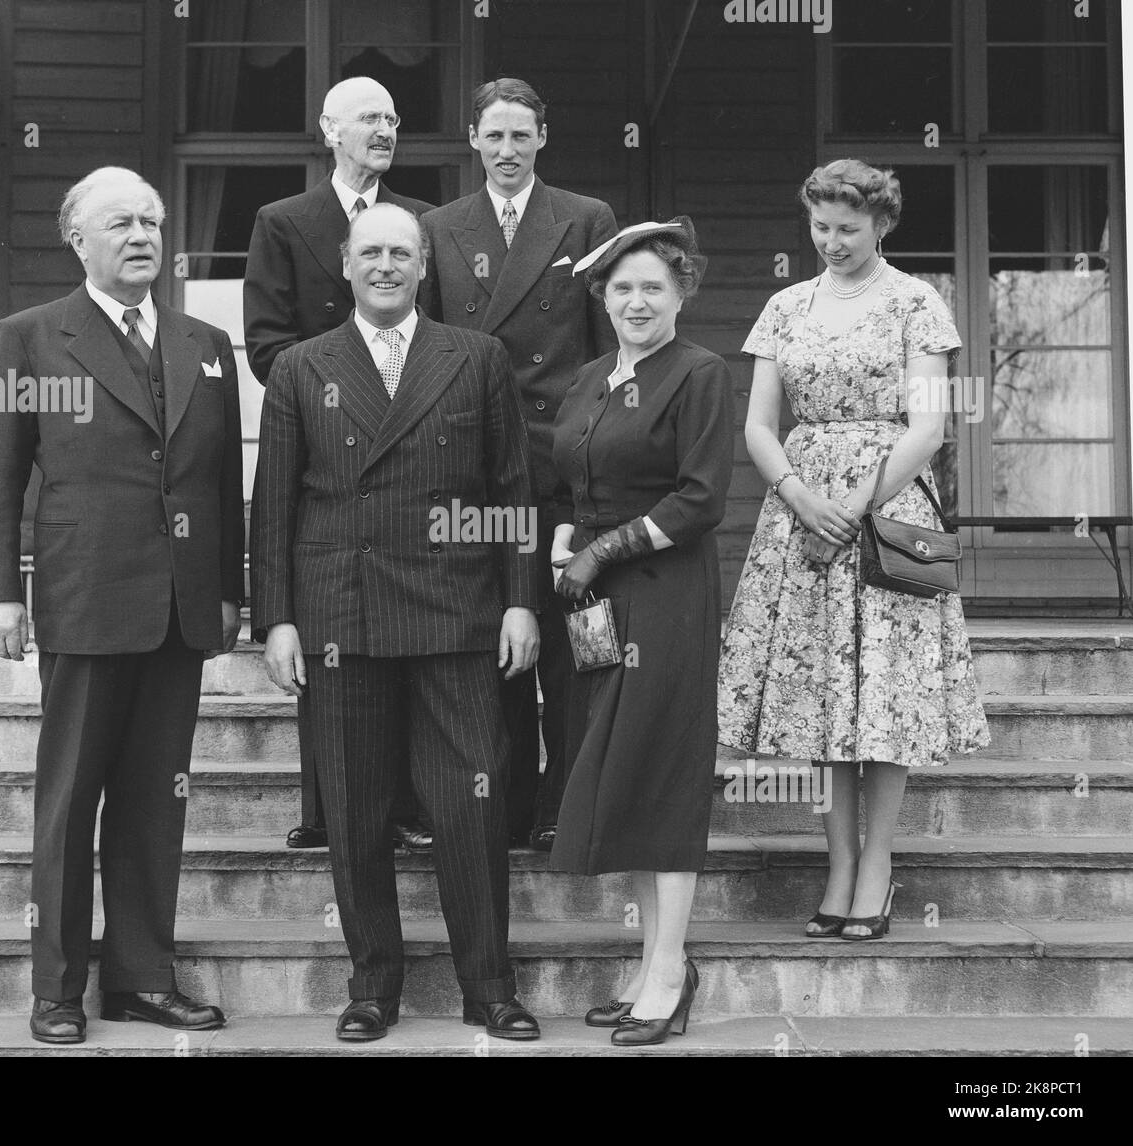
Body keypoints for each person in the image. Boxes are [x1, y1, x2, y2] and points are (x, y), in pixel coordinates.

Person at [250, 202, 543, 1043]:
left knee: (471, 805)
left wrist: (521, 597)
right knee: (352, 806)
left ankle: (489, 986)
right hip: (342, 612)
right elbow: (273, 504)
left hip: (458, 616)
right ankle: (373, 985)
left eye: (401, 253)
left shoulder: (475, 358)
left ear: (423, 267)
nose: (385, 266)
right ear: (346, 265)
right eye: (370, 252)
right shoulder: (303, 368)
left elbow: (511, 489)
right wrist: (276, 620)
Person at [0, 166, 243, 1044]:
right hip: (86, 600)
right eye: (121, 223)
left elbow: (221, 484)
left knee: (155, 799)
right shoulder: (30, 338)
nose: (141, 236)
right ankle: (57, 989)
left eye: (154, 222)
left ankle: (140, 977)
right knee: (70, 798)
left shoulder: (205, 343)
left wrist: (232, 589)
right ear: (76, 238)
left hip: (181, 608)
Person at [718, 159, 990, 943]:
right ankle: (837, 864)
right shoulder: (784, 306)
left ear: (881, 224)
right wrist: (802, 497)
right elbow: (759, 426)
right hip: (800, 519)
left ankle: (877, 869)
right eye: (820, 227)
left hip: (886, 512)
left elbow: (930, 426)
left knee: (884, 697)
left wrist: (858, 500)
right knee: (822, 702)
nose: (832, 242)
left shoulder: (917, 303)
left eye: (848, 228)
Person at [549, 217, 733, 1046]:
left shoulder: (700, 373)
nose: (635, 300)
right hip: (596, 602)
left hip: (663, 593)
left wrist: (601, 553)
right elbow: (579, 481)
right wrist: (567, 540)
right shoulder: (591, 376)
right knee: (622, 768)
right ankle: (651, 957)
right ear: (602, 295)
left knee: (663, 770)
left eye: (652, 286)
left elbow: (699, 502)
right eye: (621, 287)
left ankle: (669, 969)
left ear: (681, 291)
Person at [421, 77, 618, 851]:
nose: (507, 151)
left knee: (571, 643)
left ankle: (565, 809)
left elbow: (608, 354)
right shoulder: (437, 226)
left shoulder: (586, 218)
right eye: (493, 136)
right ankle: (500, 808)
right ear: (473, 139)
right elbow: (432, 351)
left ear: (543, 138)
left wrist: (596, 454)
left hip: (562, 464)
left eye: (521, 136)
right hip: (475, 470)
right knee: (492, 641)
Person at [243, 75, 434, 852]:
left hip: (409, 445)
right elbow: (265, 343)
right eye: (367, 118)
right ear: (330, 129)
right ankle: (331, 813)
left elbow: (436, 331)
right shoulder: (284, 220)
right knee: (332, 633)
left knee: (399, 636)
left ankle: (411, 805)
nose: (384, 129)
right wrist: (341, 390)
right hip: (323, 436)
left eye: (392, 117)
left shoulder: (423, 223)